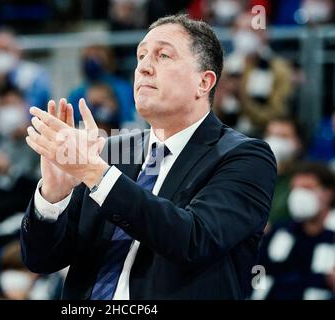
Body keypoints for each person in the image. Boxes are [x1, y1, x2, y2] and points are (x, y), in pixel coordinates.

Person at [21, 14, 277, 300]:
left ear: (204, 83)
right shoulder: (109, 152)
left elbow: (193, 240)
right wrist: (53, 197)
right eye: (140, 55)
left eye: (163, 55)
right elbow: (41, 261)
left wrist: (95, 174)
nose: (143, 67)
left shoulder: (245, 156)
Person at [251, 163, 335, 300]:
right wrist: (256, 291)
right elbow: (258, 268)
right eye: (295, 188)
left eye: (307, 188)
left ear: (329, 193)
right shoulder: (280, 231)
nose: (299, 195)